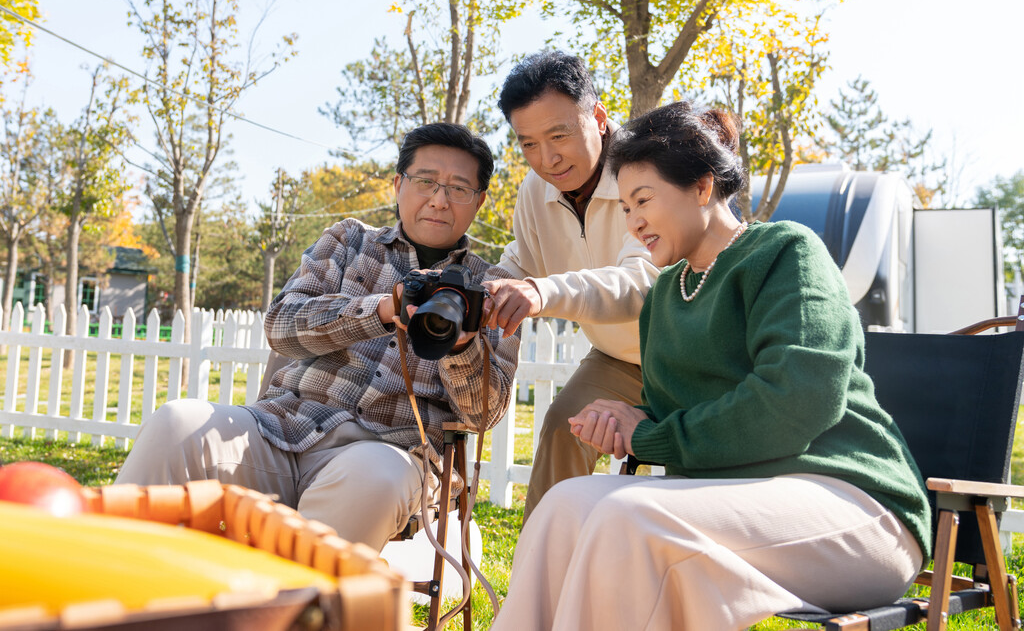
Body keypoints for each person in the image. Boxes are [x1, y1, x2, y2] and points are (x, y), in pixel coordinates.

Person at [491, 101, 931, 630]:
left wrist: (650, 437)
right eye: (627, 207)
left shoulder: (785, 252)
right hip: (735, 503)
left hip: (854, 509)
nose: (634, 222)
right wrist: (623, 423)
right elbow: (663, 417)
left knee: (626, 516)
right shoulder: (665, 299)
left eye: (644, 201)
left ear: (702, 187)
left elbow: (797, 400)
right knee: (565, 506)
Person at [115, 123, 521, 552]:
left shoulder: (492, 287)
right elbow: (280, 326)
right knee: (176, 422)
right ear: (398, 183)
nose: (439, 199)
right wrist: (383, 309)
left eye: (459, 188)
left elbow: (484, 415)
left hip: (392, 451)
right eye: (426, 181)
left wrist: (461, 345)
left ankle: (286, 613)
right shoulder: (349, 241)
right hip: (283, 430)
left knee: (373, 478)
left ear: (479, 201)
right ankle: (109, 590)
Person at [484, 51, 659, 520]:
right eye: (529, 145)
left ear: (598, 118)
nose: (548, 158)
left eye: (559, 135)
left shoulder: (646, 174)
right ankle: (538, 582)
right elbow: (519, 264)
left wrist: (543, 293)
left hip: (690, 353)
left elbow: (641, 282)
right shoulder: (533, 192)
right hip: (618, 359)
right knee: (564, 426)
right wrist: (471, 289)